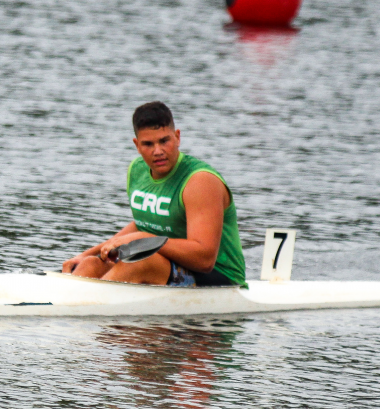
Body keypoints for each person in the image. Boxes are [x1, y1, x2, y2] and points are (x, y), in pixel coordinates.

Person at [62, 101, 246, 287]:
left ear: (177, 137)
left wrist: (142, 239)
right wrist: (87, 254)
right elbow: (143, 224)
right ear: (137, 145)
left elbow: (204, 260)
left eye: (164, 141)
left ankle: (90, 301)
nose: (158, 151)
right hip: (166, 264)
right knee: (91, 264)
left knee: (140, 262)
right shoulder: (137, 170)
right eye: (148, 144)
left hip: (221, 278)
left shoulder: (200, 181)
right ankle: (71, 300)